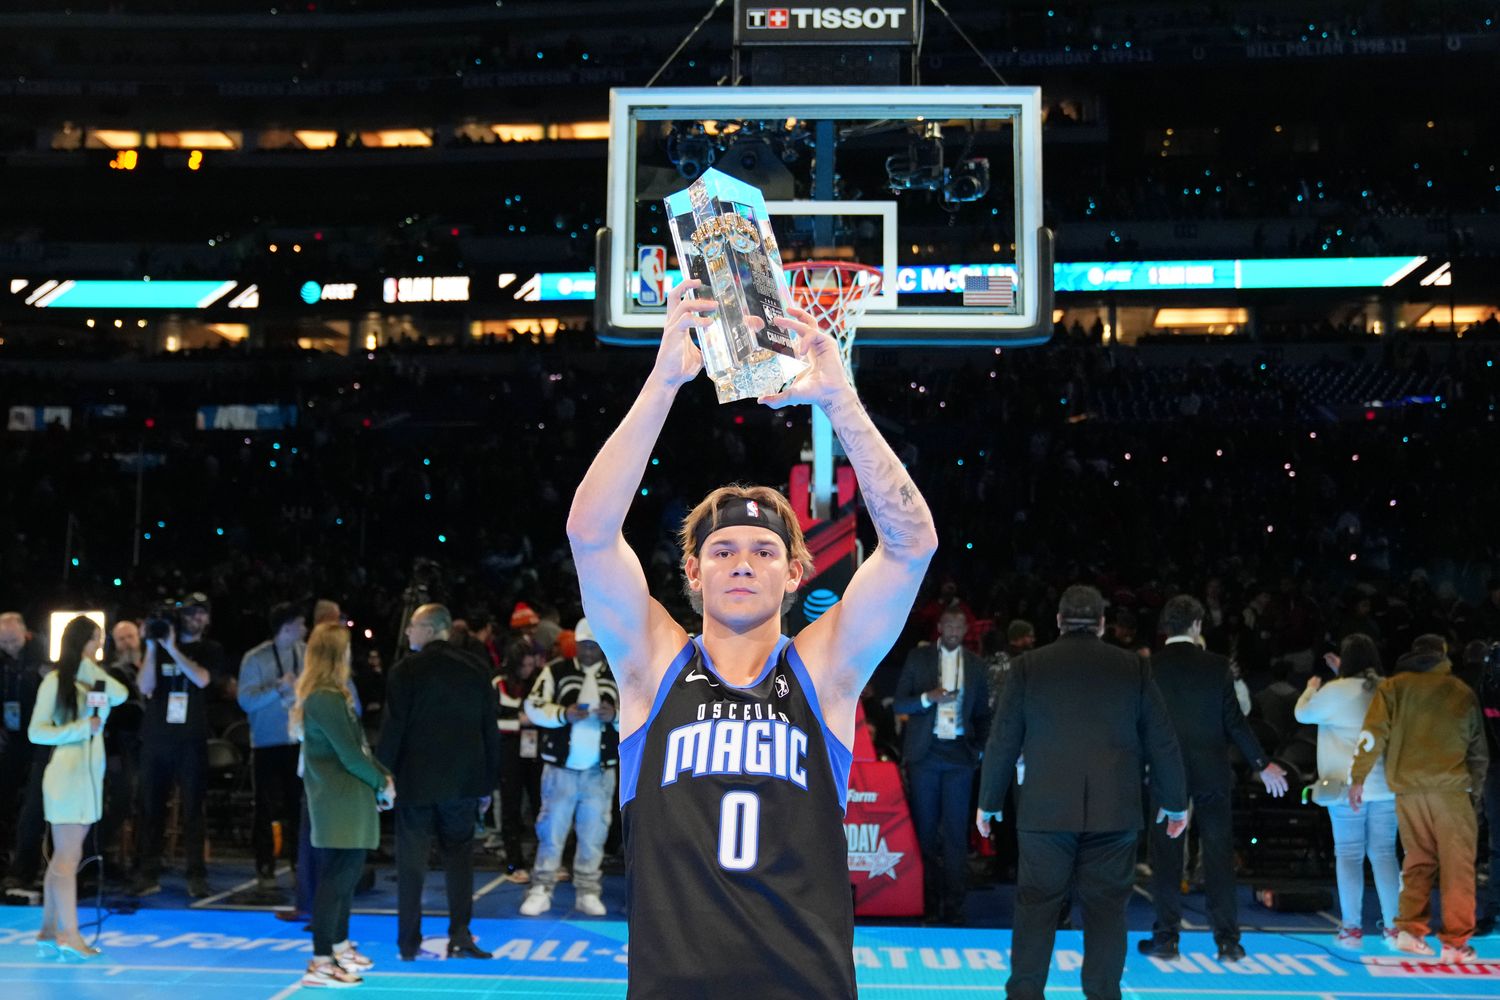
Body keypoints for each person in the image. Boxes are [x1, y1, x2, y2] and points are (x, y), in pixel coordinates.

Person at [567, 282, 937, 998]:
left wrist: (840, 400)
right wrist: (662, 383)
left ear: (796, 573)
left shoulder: (823, 672)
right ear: (693, 574)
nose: (742, 560)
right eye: (724, 549)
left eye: (765, 551)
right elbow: (589, 533)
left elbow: (911, 546)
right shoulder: (652, 665)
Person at [977, 585, 1189, 1000]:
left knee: (1036, 909)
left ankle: (1023, 994)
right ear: (1103, 623)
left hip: (1045, 812)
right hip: (1115, 813)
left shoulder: (1028, 667)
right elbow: (1162, 741)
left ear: (1058, 622)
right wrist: (1176, 802)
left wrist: (988, 802)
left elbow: (1003, 740)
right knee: (1107, 912)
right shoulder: (1133, 668)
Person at [1138, 595, 1287, 962]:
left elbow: (1138, 726)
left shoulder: (1147, 668)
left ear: (1164, 629)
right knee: (1219, 855)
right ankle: (1227, 941)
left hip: (1165, 775)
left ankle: (1166, 938)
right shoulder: (1217, 666)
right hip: (1212, 773)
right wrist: (1261, 763)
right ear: (1198, 626)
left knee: (1167, 856)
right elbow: (1235, 722)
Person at [1349, 634, 1489, 963]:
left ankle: (1410, 932)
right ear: (1442, 655)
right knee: (1457, 868)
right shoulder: (1460, 691)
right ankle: (1455, 943)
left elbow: (1372, 732)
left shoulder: (1393, 687)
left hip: (1408, 791)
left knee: (1417, 860)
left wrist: (1358, 777)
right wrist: (1475, 795)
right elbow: (1478, 753)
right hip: (1451, 790)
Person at [377, 603, 500, 961]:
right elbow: (488, 731)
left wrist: (383, 777)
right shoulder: (477, 668)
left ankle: (407, 942)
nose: (407, 634)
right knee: (460, 862)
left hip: (415, 786)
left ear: (429, 629)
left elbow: (393, 730)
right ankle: (460, 935)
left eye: (412, 627)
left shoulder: (406, 670)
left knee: (410, 866)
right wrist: (487, 784)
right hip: (463, 786)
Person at [292, 622, 392, 988]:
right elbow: (350, 756)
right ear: (336, 654)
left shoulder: (335, 695)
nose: (352, 656)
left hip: (349, 798)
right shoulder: (323, 697)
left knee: (345, 878)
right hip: (337, 801)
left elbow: (361, 749)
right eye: (347, 649)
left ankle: (338, 944)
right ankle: (321, 961)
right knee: (335, 881)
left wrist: (384, 778)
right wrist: (381, 782)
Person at [28, 616, 127, 960]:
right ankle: (69, 936)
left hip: (88, 776)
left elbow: (121, 693)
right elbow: (36, 732)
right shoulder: (54, 681)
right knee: (68, 858)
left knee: (63, 857)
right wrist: (80, 728)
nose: (100, 646)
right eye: (95, 640)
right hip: (67, 774)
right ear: (81, 641)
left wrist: (88, 667)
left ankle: (48, 930)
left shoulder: (92, 681)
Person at [1294, 633, 1399, 949]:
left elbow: (1302, 713)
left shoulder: (1334, 690)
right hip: (1383, 787)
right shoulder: (1388, 688)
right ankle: (1395, 928)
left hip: (1342, 790)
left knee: (1349, 855)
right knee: (1383, 855)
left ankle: (1351, 929)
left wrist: (1310, 689)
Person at [893, 606, 992, 924]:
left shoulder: (976, 666)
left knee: (955, 835)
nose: (953, 630)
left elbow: (983, 716)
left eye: (959, 625)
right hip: (926, 755)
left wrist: (977, 751)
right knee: (924, 832)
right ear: (939, 626)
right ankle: (927, 900)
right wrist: (927, 698)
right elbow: (900, 703)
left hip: (959, 757)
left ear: (966, 631)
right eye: (948, 623)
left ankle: (954, 904)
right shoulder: (918, 658)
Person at [518, 618, 620, 917]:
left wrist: (615, 716)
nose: (589, 651)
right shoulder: (556, 671)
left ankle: (588, 890)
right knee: (551, 830)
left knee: (594, 833)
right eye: (584, 645)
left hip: (599, 771)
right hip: (560, 769)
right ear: (575, 645)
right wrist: (563, 714)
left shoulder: (617, 674)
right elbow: (533, 705)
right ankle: (541, 888)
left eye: (594, 646)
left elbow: (642, 713)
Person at [134, 594, 226, 899]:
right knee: (151, 808)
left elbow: (201, 680)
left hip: (190, 739)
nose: (194, 618)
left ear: (208, 619)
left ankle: (196, 873)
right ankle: (148, 871)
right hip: (157, 737)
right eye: (189, 613)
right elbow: (145, 687)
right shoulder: (157, 648)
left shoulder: (210, 649)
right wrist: (151, 646)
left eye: (201, 613)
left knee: (192, 810)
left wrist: (173, 649)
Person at [238, 603, 309, 897]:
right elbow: (246, 702)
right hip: (266, 743)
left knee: (298, 808)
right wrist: (277, 690)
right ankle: (264, 867)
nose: (306, 629)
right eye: (301, 623)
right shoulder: (255, 658)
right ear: (288, 626)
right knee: (264, 809)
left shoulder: (305, 654)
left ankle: (299, 865)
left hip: (297, 742)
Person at [1, 612, 48, 893]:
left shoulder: (42, 654)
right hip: (12, 737)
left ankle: (27, 867)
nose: (9, 646)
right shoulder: (3, 660)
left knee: (34, 804)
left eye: (13, 640)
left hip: (41, 739)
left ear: (25, 633)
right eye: (3, 642)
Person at [493, 638, 543, 881]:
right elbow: (488, 721)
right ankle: (514, 862)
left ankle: (543, 860)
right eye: (524, 665)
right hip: (508, 750)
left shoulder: (539, 680)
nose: (528, 670)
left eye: (531, 665)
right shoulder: (498, 683)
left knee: (540, 805)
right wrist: (517, 723)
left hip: (535, 750)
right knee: (510, 806)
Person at [1478, 641, 1500, 936]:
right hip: (1494, 770)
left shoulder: (1484, 688)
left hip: (1494, 770)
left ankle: (1494, 906)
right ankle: (1494, 906)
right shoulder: (1485, 690)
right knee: (1497, 845)